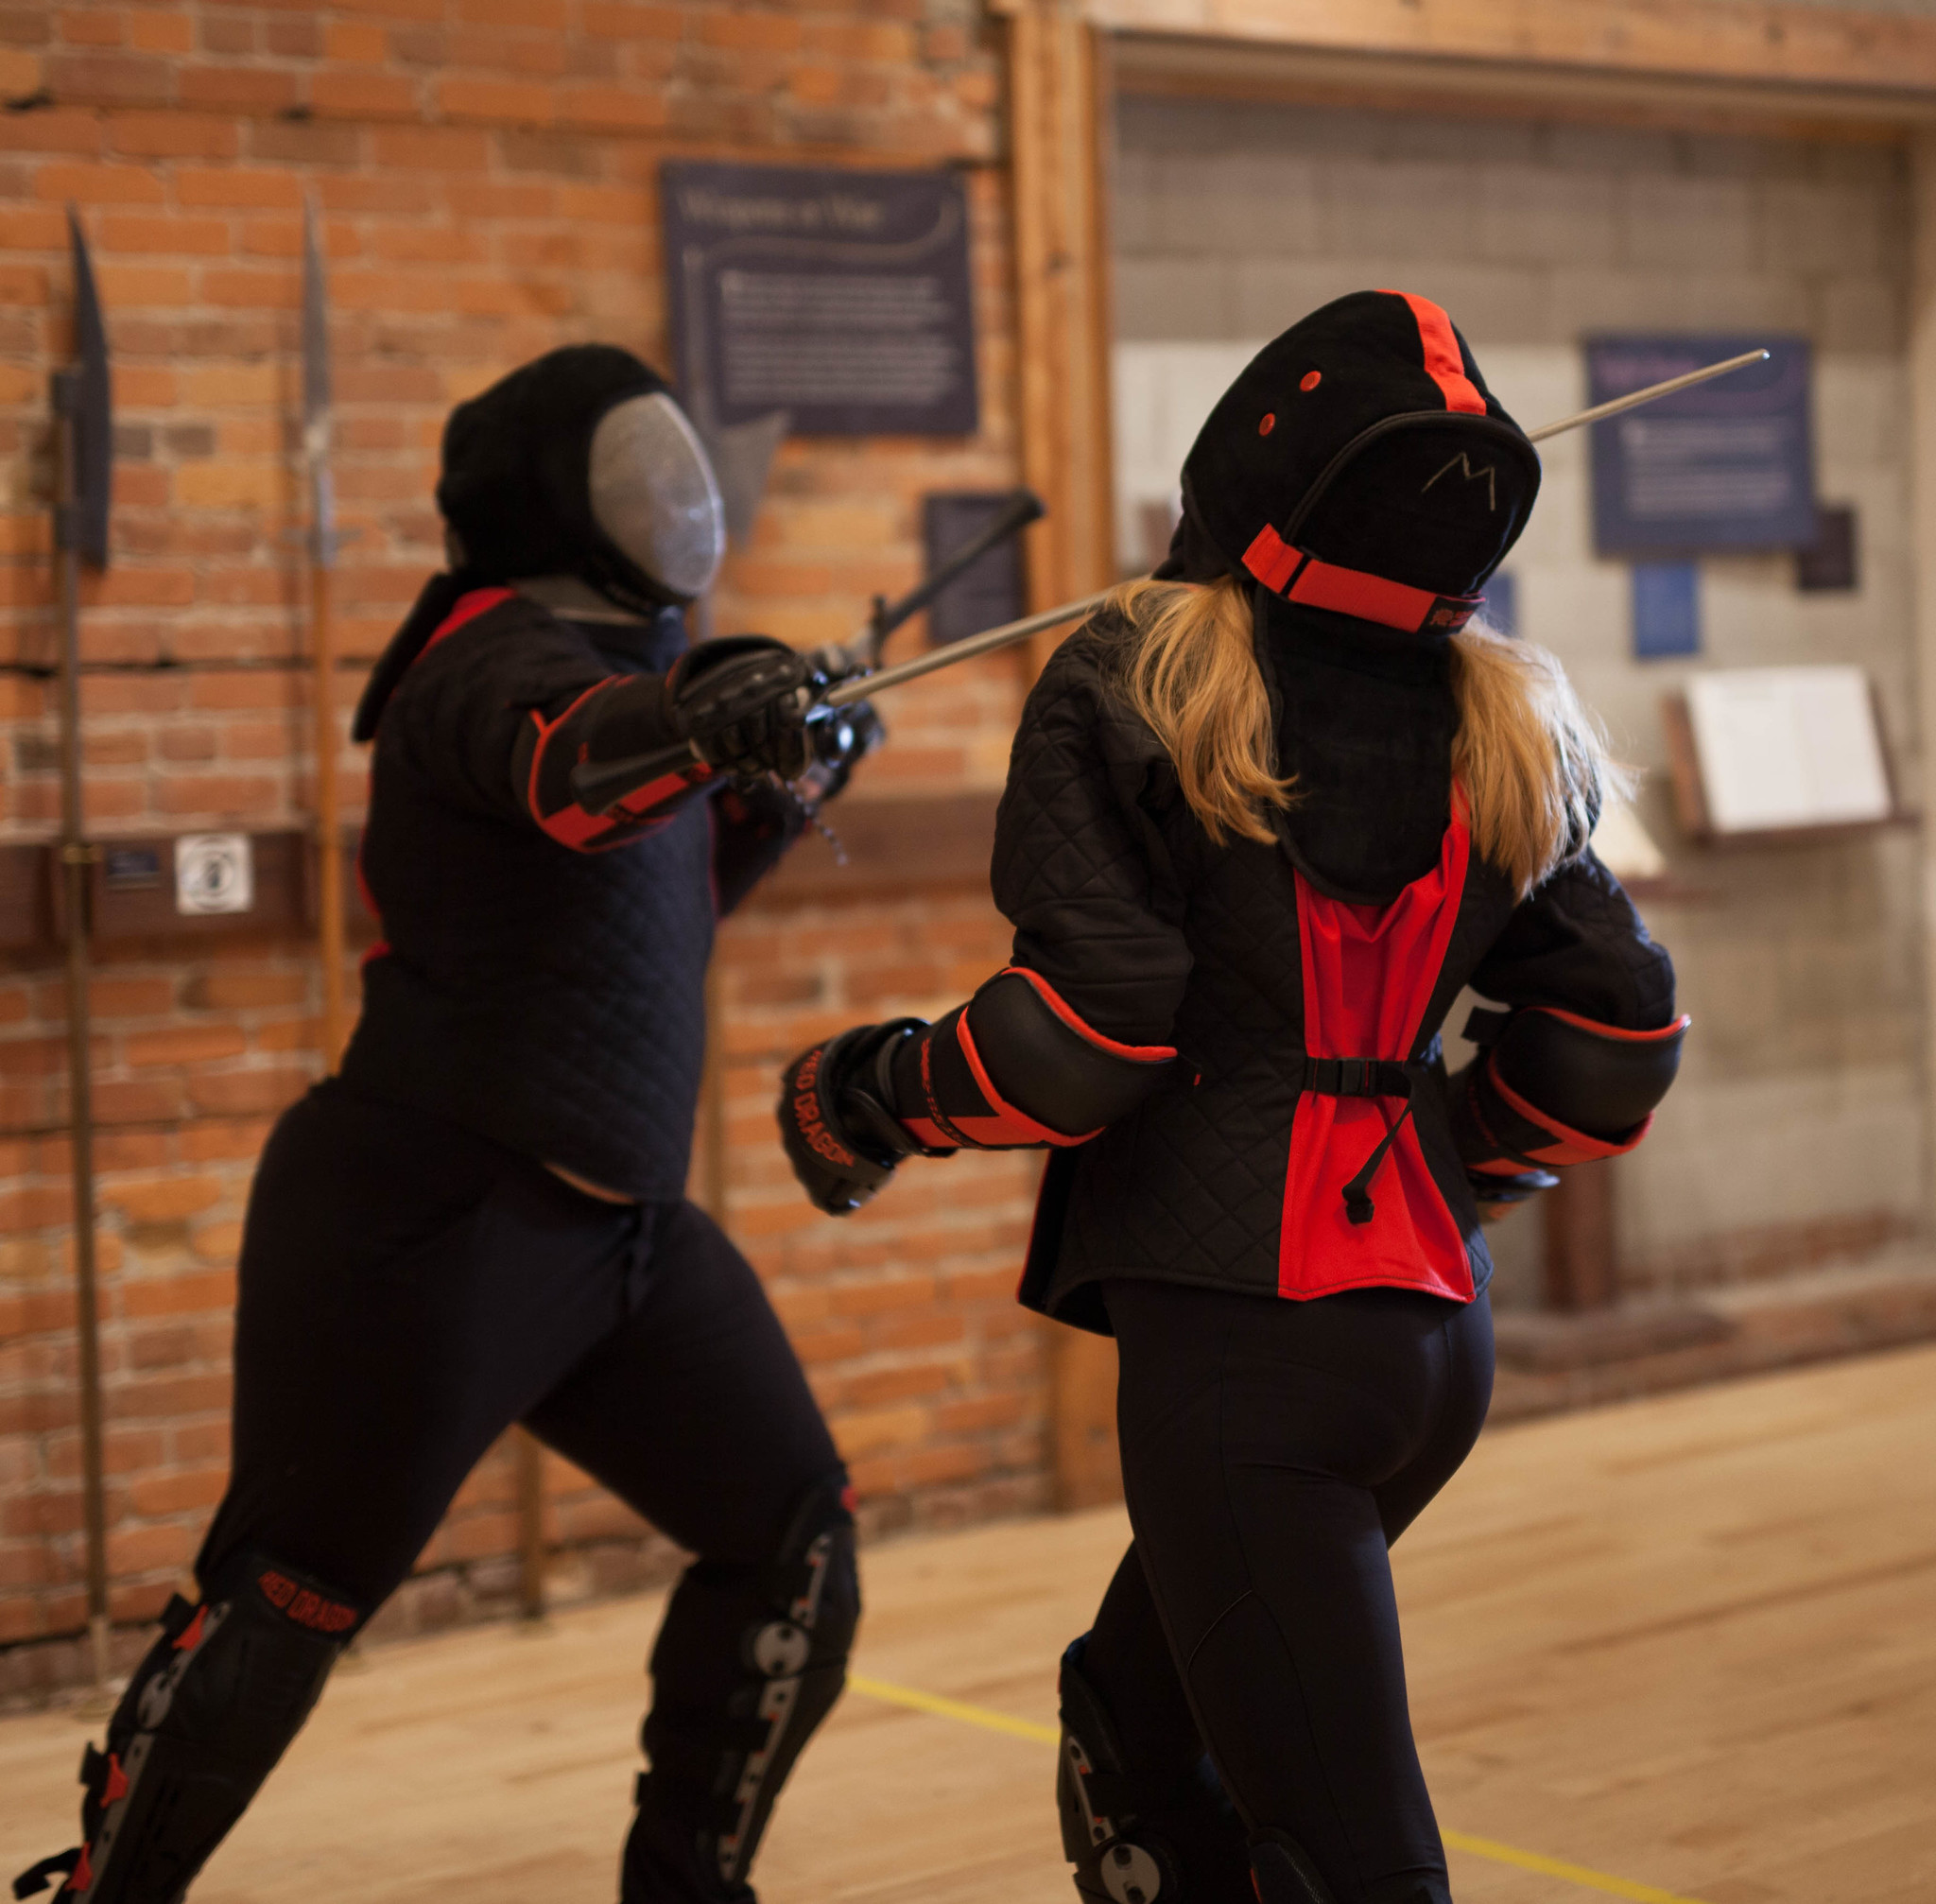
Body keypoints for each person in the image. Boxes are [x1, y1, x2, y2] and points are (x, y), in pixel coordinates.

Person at [776, 290, 1686, 1904]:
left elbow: (1087, 1039)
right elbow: (1617, 1035)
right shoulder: (1505, 712)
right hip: (1433, 1347)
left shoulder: (1131, 675)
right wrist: (1455, 1156)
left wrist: (871, 1092)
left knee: (1349, 1865)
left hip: (1247, 1356)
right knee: (1137, 1733)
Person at [17, 346, 874, 1904]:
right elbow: (567, 770)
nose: (678, 494)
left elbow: (651, 902)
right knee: (288, 1599)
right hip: (426, 1216)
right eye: (636, 462)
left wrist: (777, 776)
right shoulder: (485, 658)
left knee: (794, 1540)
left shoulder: (638, 678)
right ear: (558, 498)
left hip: (618, 1230)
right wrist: (702, 725)